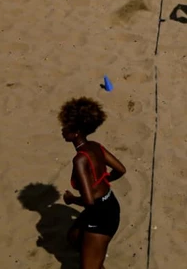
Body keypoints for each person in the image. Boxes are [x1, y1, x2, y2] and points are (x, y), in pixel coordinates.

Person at [59, 97, 126, 269]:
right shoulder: (95, 146)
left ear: (76, 133)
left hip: (99, 215)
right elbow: (120, 169)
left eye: (66, 127)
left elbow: (89, 201)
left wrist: (72, 199)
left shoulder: (80, 160)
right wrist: (101, 182)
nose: (62, 129)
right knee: (73, 238)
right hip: (110, 203)